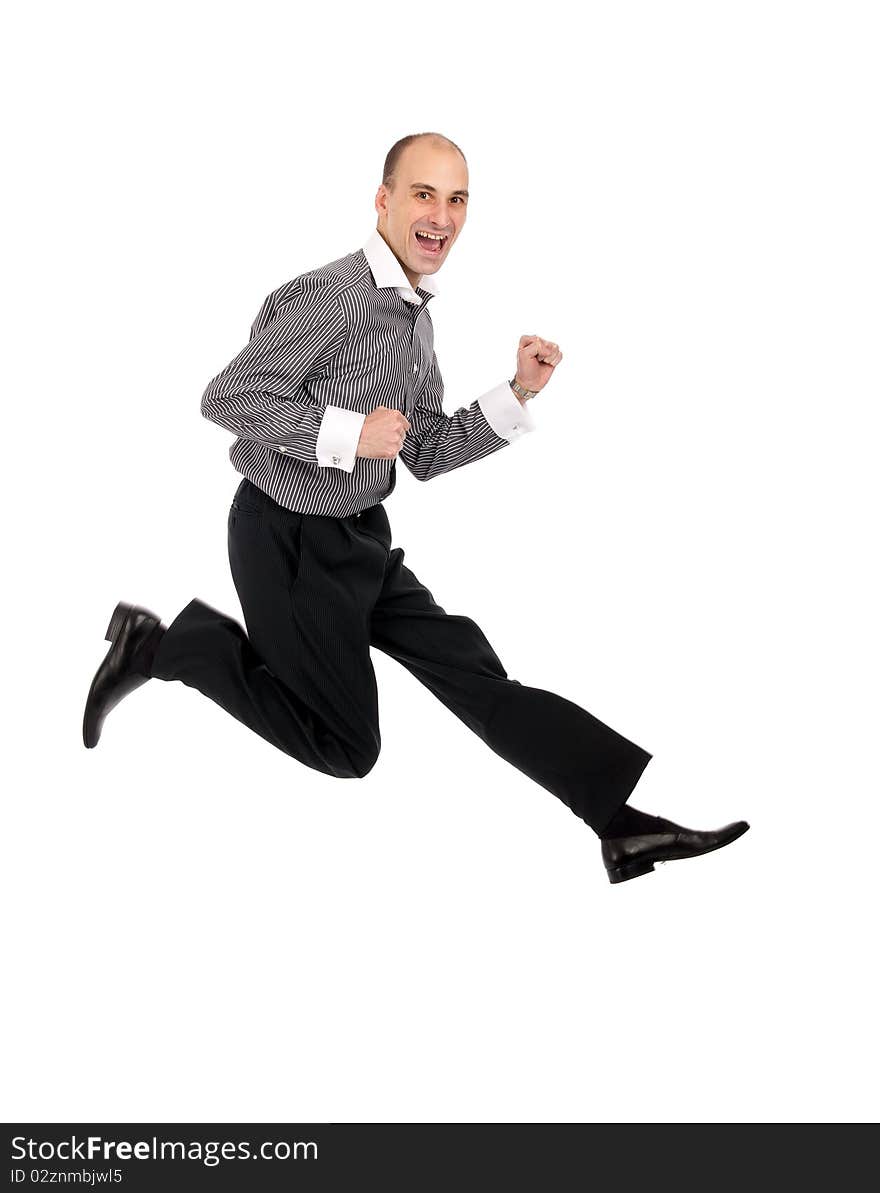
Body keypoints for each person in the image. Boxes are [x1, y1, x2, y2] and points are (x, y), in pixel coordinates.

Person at [83, 131, 749, 884]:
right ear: (384, 201)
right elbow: (227, 397)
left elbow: (424, 451)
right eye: (424, 195)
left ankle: (621, 825)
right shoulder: (333, 296)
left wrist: (517, 392)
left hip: (359, 538)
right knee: (347, 746)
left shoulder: (414, 317)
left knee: (478, 677)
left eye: (457, 198)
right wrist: (349, 431)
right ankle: (162, 647)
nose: (442, 215)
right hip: (288, 540)